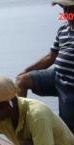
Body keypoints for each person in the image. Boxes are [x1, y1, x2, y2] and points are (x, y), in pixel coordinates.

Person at [16, 0, 74, 133]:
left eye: (70, 10)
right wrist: (25, 71)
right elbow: (51, 57)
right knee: (21, 81)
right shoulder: (63, 29)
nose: (67, 14)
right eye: (64, 10)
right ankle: (22, 126)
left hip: (70, 86)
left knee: (66, 130)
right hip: (56, 76)